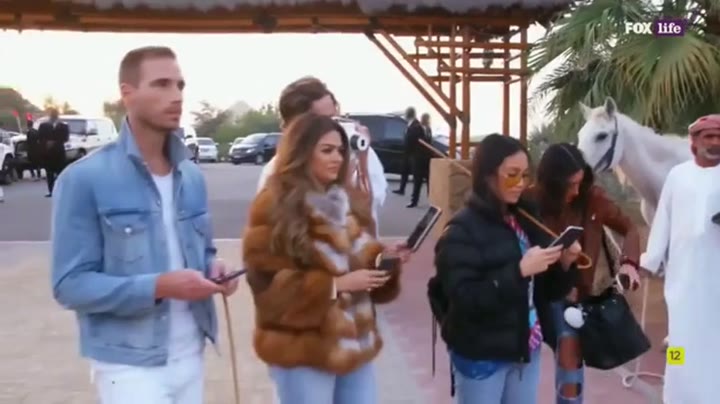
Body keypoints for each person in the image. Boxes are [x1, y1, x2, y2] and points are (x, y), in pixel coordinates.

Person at [50, 46, 239, 404]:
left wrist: (215, 269)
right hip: (128, 363)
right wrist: (159, 286)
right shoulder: (84, 179)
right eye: (162, 84)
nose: (176, 96)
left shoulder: (192, 176)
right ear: (127, 93)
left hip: (192, 351)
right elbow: (69, 285)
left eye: (180, 85)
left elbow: (203, 252)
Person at [243, 112, 409, 404]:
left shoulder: (343, 201)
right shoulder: (274, 205)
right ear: (302, 153)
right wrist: (336, 285)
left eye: (341, 151)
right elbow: (267, 288)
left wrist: (385, 260)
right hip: (303, 350)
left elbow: (362, 259)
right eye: (327, 150)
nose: (337, 158)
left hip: (355, 347)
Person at [433, 134, 579, 404]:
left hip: (525, 347)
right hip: (482, 355)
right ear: (488, 175)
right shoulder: (461, 230)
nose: (520, 183)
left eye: (525, 175)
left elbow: (546, 291)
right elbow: (464, 299)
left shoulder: (525, 217)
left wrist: (565, 264)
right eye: (512, 175)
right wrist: (519, 271)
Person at [526, 142, 641, 404]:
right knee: (523, 370)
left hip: (574, 297)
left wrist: (629, 263)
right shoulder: (528, 201)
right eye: (570, 185)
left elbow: (630, 228)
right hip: (535, 295)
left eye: (580, 183)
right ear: (552, 183)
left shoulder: (593, 199)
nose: (576, 191)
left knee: (570, 357)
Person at [641, 114, 720, 404]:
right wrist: (650, 260)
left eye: (719, 137)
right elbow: (662, 220)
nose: (714, 142)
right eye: (708, 136)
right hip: (682, 281)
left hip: (716, 280)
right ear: (694, 142)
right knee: (679, 342)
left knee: (713, 345)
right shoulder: (678, 176)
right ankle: (676, 393)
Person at [256, 76, 387, 236]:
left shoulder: (357, 151)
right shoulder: (275, 174)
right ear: (296, 128)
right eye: (325, 121)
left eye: (336, 118)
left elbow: (370, 211)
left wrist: (362, 162)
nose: (335, 127)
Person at [395, 107, 429, 208]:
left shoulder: (416, 126)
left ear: (408, 114)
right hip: (412, 156)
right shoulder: (412, 125)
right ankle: (412, 198)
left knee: (418, 179)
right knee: (414, 177)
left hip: (417, 157)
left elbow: (411, 141)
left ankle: (414, 201)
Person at [38, 108, 69, 197]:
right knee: (49, 173)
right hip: (48, 153)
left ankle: (61, 190)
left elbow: (65, 138)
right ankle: (51, 191)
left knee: (60, 172)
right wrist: (46, 143)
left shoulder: (63, 126)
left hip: (59, 152)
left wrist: (55, 142)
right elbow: (40, 137)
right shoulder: (43, 125)